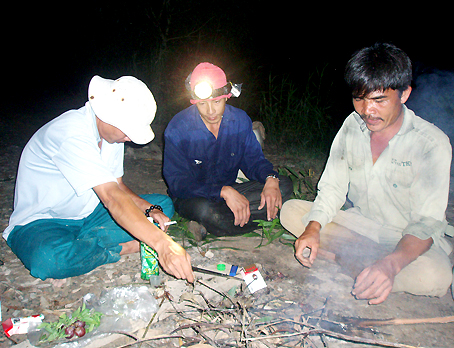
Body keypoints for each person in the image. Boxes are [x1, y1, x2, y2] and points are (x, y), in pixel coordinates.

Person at [280, 43, 453, 304]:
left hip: (404, 238)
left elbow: (426, 224)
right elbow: (333, 188)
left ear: (404, 94)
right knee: (292, 212)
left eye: (379, 100)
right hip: (360, 227)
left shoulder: (432, 143)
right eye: (359, 98)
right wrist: (314, 228)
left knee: (435, 276)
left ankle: (362, 265)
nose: (366, 111)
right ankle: (363, 264)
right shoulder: (352, 125)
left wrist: (391, 265)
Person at [3, 75, 194, 284]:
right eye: (128, 131)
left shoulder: (111, 136)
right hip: (43, 222)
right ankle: (124, 247)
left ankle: (85, 245)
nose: (130, 139)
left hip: (90, 215)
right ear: (106, 114)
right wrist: (161, 244)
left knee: (162, 205)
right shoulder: (71, 132)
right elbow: (112, 198)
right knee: (49, 260)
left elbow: (118, 185)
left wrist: (150, 209)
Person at [163, 62, 293, 238]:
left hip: (232, 192)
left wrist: (270, 178)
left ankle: (216, 224)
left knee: (283, 185)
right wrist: (222, 191)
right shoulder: (178, 128)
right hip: (194, 196)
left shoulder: (240, 121)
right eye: (202, 104)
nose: (210, 111)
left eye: (216, 102)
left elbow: (254, 161)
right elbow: (178, 183)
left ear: (226, 96)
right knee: (206, 211)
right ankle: (218, 220)